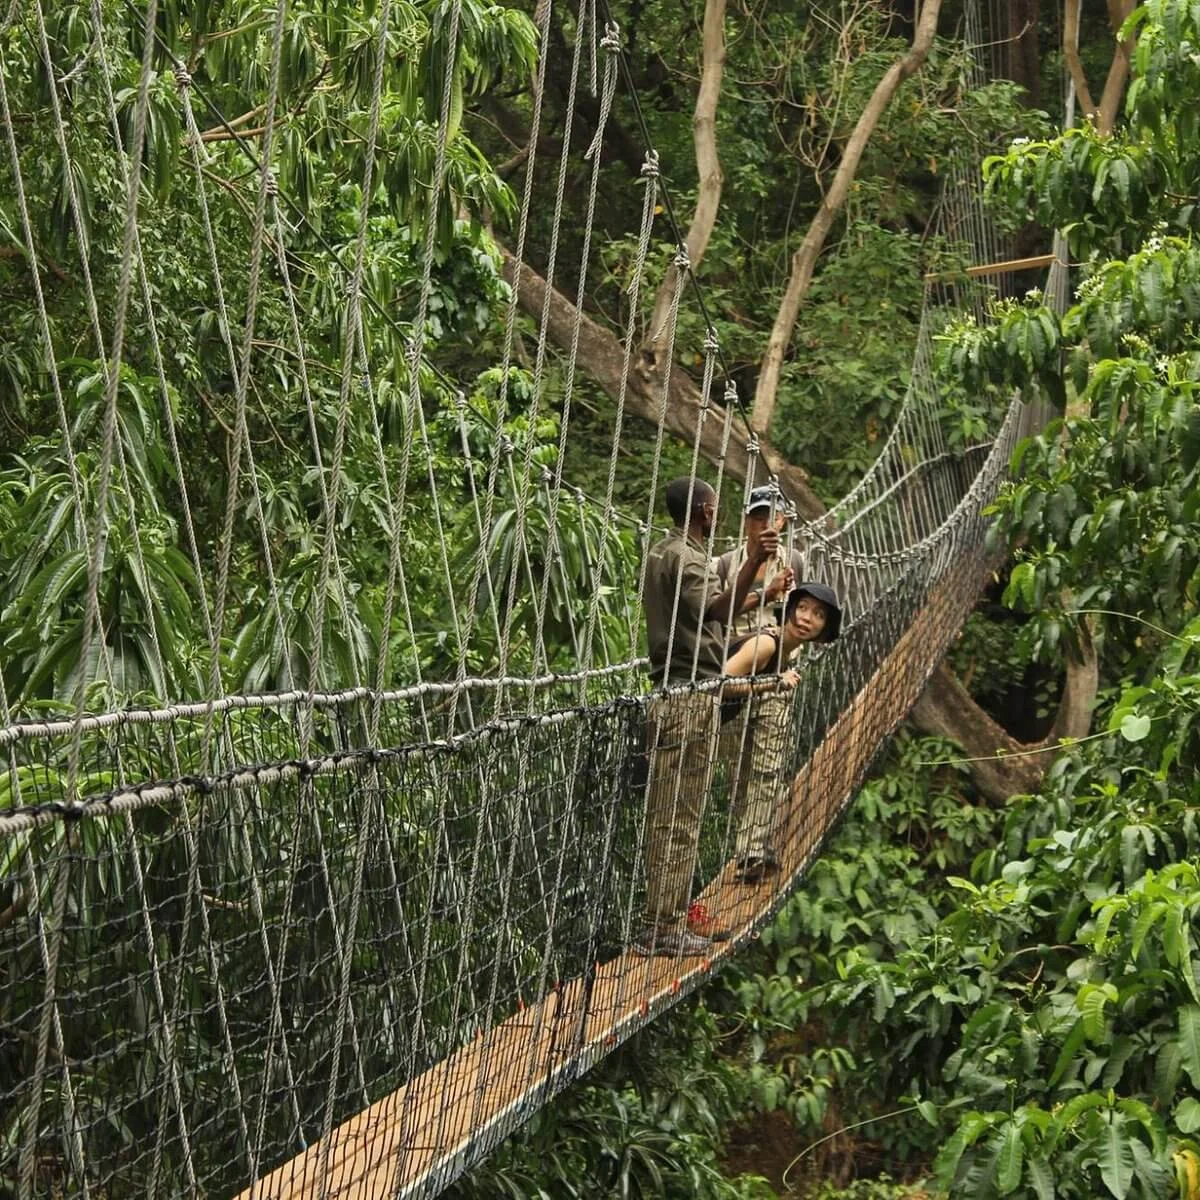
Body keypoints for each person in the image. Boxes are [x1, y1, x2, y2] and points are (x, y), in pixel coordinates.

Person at [636, 476, 780, 958]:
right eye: (715, 506)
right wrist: (756, 560)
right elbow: (717, 610)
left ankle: (668, 919)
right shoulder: (689, 557)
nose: (717, 513)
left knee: (672, 812)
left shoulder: (661, 551)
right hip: (689, 694)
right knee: (680, 815)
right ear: (703, 510)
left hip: (677, 690)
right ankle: (662, 924)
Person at [715, 580, 842, 884]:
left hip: (726, 718)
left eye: (818, 615)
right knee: (757, 778)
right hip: (707, 720)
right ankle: (751, 851)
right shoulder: (768, 644)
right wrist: (772, 683)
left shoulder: (786, 650)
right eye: (801, 607)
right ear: (789, 610)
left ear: (824, 629)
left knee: (757, 778)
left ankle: (751, 854)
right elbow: (718, 685)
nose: (806, 618)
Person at [716, 483, 806, 642]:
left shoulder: (794, 561)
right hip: (735, 653)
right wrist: (768, 593)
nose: (766, 525)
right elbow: (716, 614)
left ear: (782, 522)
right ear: (746, 521)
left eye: (774, 518)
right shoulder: (724, 565)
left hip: (779, 657)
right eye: (759, 519)